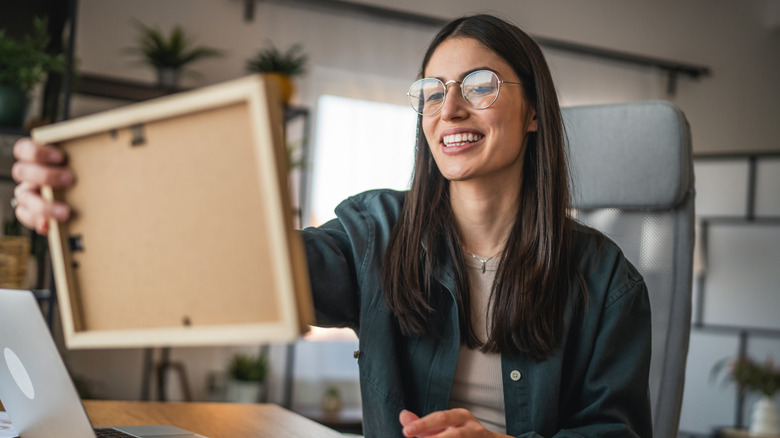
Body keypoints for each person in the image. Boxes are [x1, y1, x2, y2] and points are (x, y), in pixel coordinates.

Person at [11, 14, 652, 438]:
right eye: (431, 90)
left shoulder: (607, 282)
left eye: (479, 84)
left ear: (535, 112)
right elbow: (252, 261)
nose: (448, 106)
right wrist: (89, 201)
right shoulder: (375, 233)